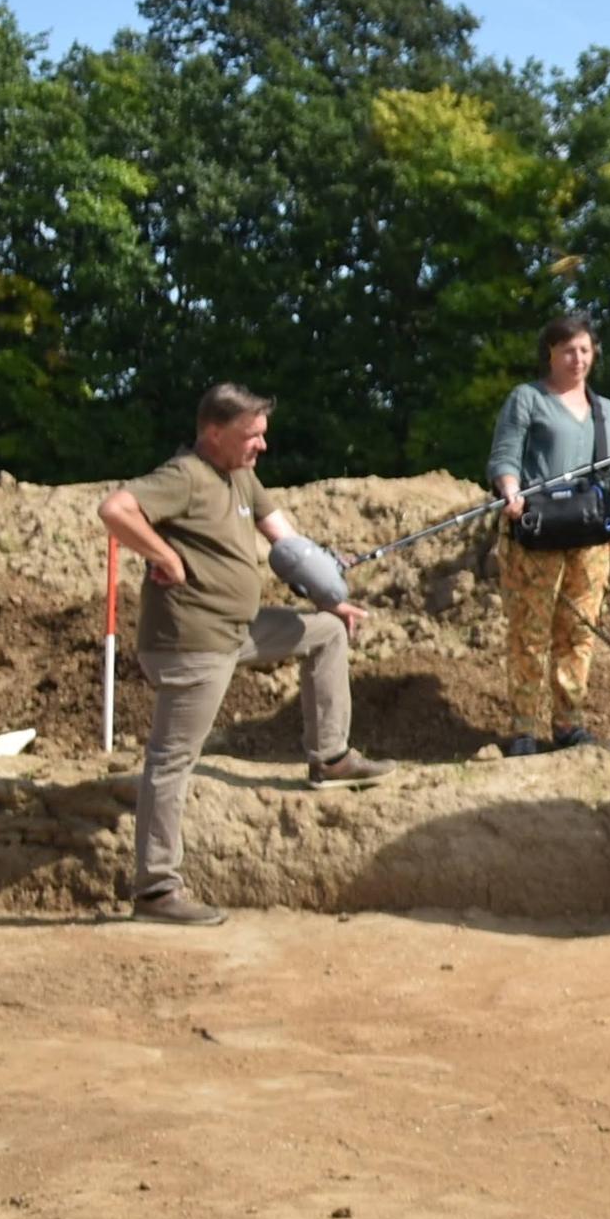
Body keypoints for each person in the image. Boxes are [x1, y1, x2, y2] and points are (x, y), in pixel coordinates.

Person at [92, 385, 400, 926]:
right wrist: (164, 554)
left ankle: (329, 758)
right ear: (214, 431)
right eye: (251, 435)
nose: (261, 445)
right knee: (170, 761)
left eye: (262, 435)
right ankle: (156, 890)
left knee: (328, 630)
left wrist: (333, 592)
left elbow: (285, 538)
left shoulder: (241, 476)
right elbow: (115, 509)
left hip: (238, 629)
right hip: (192, 641)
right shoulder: (185, 475)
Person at [486, 312, 610, 757]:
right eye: (567, 351)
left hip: (589, 534)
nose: (577, 359)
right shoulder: (527, 400)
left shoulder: (606, 412)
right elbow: (505, 458)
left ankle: (568, 723)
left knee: (578, 632)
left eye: (584, 350)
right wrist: (511, 492)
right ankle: (523, 727)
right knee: (529, 630)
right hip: (535, 532)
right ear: (550, 355)